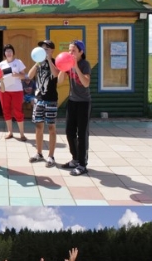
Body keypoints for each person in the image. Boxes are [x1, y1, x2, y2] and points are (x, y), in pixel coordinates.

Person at [58, 40, 92, 176]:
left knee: (82, 134)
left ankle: (82, 165)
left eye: (73, 50)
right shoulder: (68, 64)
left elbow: (86, 83)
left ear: (81, 52)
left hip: (84, 103)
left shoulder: (84, 64)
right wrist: (62, 67)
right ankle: (75, 159)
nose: (70, 53)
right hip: (72, 101)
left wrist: (76, 66)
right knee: (69, 132)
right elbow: (59, 81)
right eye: (69, 50)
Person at [29, 40, 60, 167]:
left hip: (51, 99)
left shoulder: (55, 62)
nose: (44, 51)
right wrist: (37, 62)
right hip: (39, 99)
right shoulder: (39, 63)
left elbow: (56, 74)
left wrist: (48, 60)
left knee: (51, 127)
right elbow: (29, 75)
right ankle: (39, 153)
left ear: (52, 50)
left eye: (46, 49)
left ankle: (51, 156)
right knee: (38, 126)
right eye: (42, 49)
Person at [0, 44, 27, 141]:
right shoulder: (1, 64)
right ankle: (10, 132)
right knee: (6, 110)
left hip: (17, 90)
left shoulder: (18, 62)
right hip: (4, 91)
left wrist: (17, 75)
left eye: (10, 51)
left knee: (17, 111)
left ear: (13, 52)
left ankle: (22, 134)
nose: (8, 53)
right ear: (4, 53)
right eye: (6, 51)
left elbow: (24, 76)